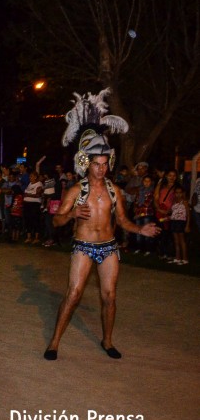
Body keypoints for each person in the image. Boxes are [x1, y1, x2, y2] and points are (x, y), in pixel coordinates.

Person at [44, 89, 159, 361]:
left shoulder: (114, 191)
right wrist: (72, 215)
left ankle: (107, 341)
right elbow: (56, 220)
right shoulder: (76, 190)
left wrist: (140, 229)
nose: (101, 169)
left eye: (105, 164)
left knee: (109, 296)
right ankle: (54, 342)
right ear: (87, 163)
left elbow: (123, 221)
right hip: (83, 247)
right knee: (73, 294)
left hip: (108, 248)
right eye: (97, 164)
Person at [169, 185, 189, 265]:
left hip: (181, 223)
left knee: (182, 241)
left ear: (183, 193)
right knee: (176, 241)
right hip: (174, 222)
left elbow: (188, 215)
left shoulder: (184, 202)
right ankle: (177, 258)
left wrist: (187, 225)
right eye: (176, 193)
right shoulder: (174, 202)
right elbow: (173, 213)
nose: (178, 194)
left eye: (180, 193)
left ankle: (185, 259)